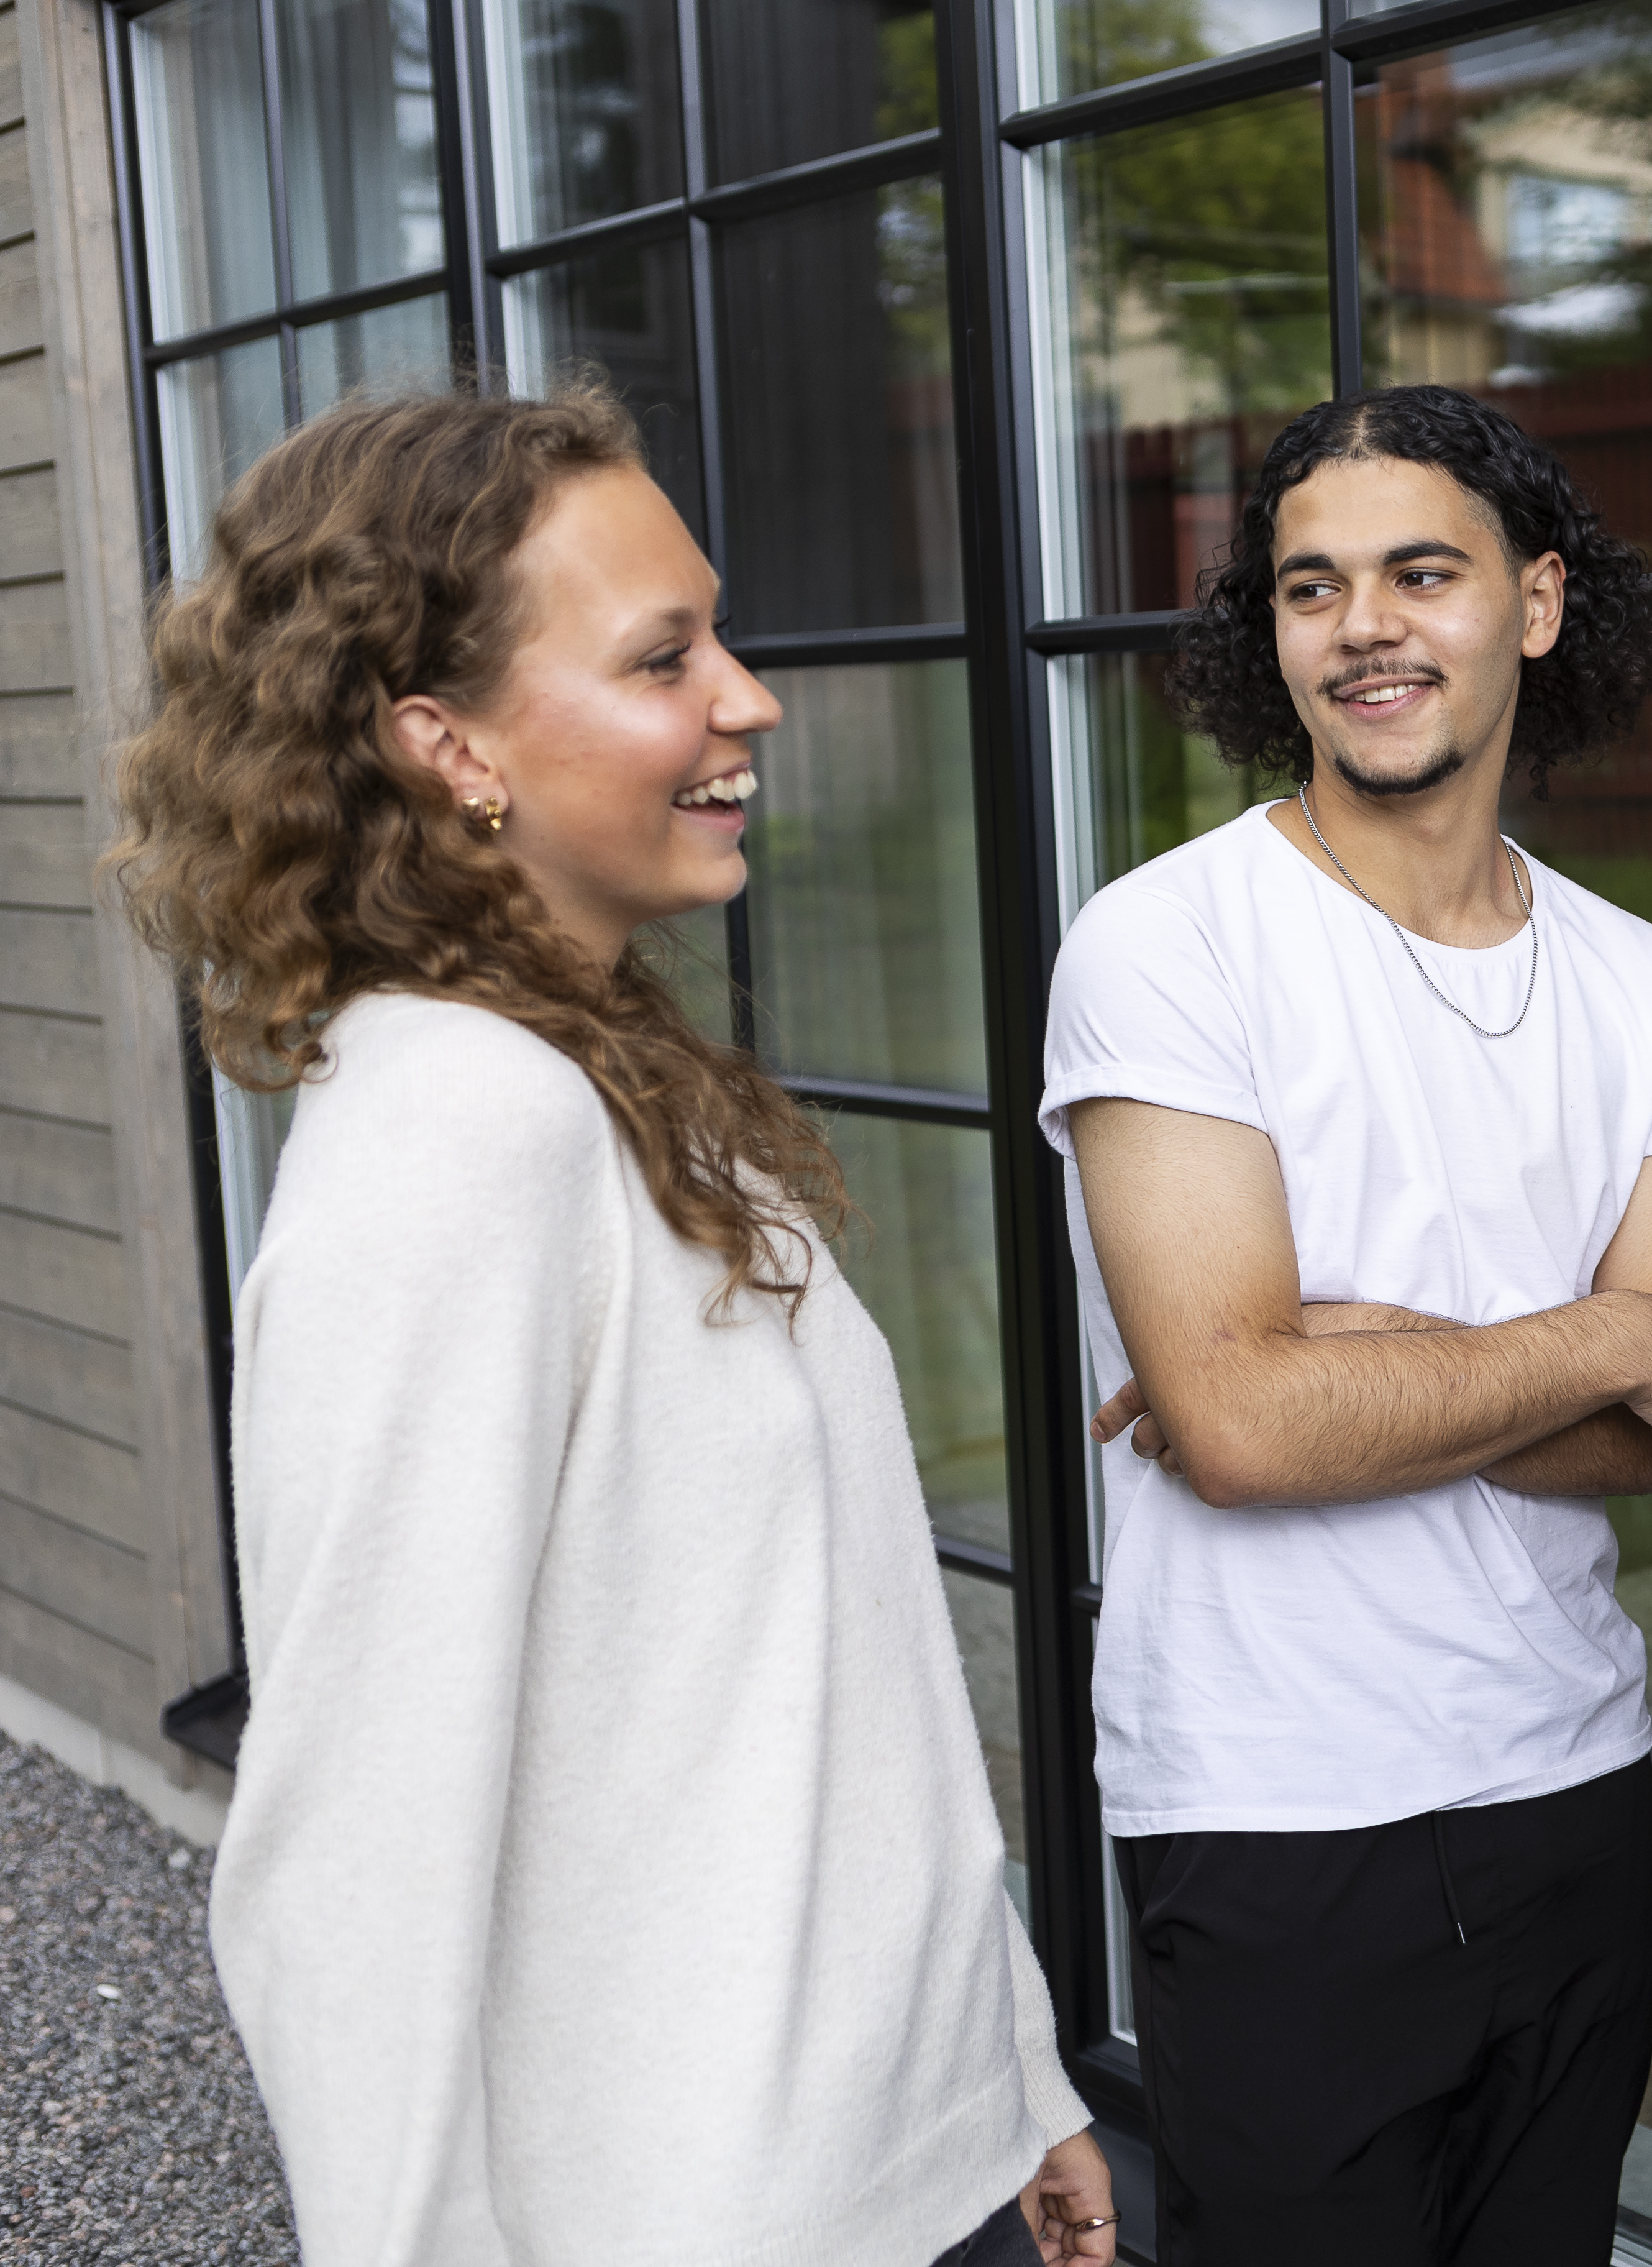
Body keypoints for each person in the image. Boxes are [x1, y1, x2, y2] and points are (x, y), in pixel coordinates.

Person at [107, 388, 1118, 2266]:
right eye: (666, 657)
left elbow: (847, 1666)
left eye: (716, 633)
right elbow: (355, 1856)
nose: (750, 698)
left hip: (903, 2169)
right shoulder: (455, 1138)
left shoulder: (622, 1075)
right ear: (447, 744)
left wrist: (1014, 2077)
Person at [1040, 384, 1652, 2264]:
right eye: (1311, 586)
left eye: (1420, 573)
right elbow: (1248, 1432)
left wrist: (1348, 1348)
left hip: (1570, 1780)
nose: (1363, 626)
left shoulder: (1639, 978)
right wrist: (1598, 1337)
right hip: (1281, 1812)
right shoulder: (1168, 941)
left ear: (1533, 605)